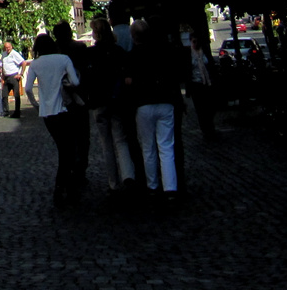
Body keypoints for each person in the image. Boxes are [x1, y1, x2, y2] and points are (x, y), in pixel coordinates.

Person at [125, 20, 182, 199]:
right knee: (166, 146)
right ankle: (170, 187)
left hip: (143, 104)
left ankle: (152, 185)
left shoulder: (132, 55)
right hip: (165, 101)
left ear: (133, 37)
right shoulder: (162, 51)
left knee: (148, 147)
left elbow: (129, 81)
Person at [24, 33, 81, 206]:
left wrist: (35, 104)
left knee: (63, 148)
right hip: (65, 109)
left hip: (48, 112)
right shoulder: (63, 59)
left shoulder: (36, 64)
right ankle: (64, 185)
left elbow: (27, 88)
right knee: (69, 149)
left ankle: (64, 186)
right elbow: (76, 82)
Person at [86, 18, 136, 193]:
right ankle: (128, 175)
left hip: (99, 102)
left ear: (96, 34)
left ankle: (113, 182)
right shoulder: (118, 51)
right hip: (117, 100)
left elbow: (86, 79)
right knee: (121, 139)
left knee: (106, 143)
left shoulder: (91, 53)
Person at [52, 22, 92, 193]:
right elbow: (87, 72)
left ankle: (68, 170)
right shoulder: (80, 48)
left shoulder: (53, 51)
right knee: (82, 136)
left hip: (60, 101)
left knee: (66, 139)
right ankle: (80, 169)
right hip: (79, 98)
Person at [185, 33, 217, 140]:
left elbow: (210, 65)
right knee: (200, 109)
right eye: (194, 41)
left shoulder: (205, 52)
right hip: (196, 85)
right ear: (191, 42)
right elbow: (187, 72)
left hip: (207, 83)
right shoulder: (189, 54)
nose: (196, 44)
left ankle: (210, 127)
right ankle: (206, 131)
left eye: (197, 41)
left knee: (210, 107)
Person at [0, 40, 26, 118]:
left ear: (11, 47)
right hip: (6, 77)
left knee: (16, 95)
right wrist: (3, 75)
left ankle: (17, 112)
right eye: (6, 47)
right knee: (4, 94)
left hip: (14, 76)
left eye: (9, 47)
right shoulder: (3, 54)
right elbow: (3, 65)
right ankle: (6, 111)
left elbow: (23, 63)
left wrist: (20, 74)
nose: (7, 49)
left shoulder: (14, 54)